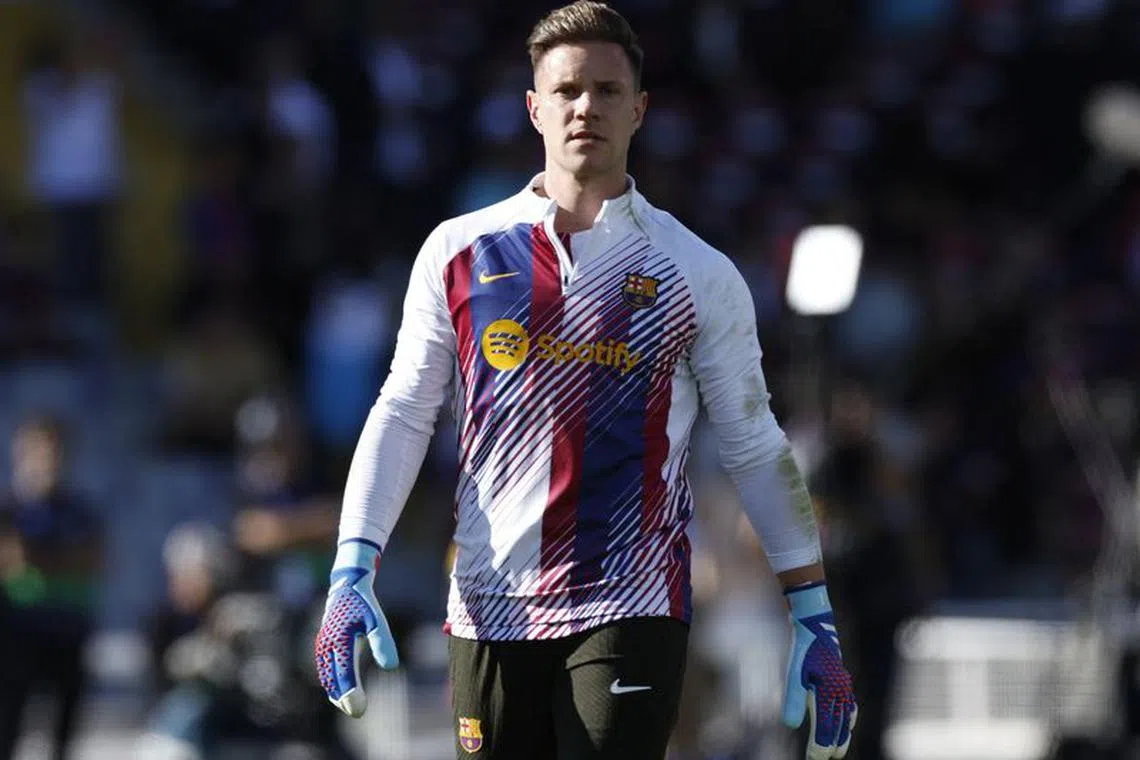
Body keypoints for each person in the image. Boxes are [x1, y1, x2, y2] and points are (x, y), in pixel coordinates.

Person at [313, 3, 858, 759]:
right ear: (534, 108)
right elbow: (404, 409)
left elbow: (753, 440)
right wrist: (352, 565)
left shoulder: (695, 272)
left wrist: (813, 611)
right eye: (567, 90)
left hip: (629, 602)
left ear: (639, 110)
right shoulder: (457, 251)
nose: (585, 107)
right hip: (486, 601)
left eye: (606, 91)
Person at [0, 416, 104, 760]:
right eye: (36, 452)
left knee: (63, 738)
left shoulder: (80, 509)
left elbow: (96, 558)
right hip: (18, 634)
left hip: (68, 631)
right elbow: (12, 560)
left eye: (52, 451)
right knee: (8, 729)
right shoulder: (9, 509)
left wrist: (39, 557)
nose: (45, 461)